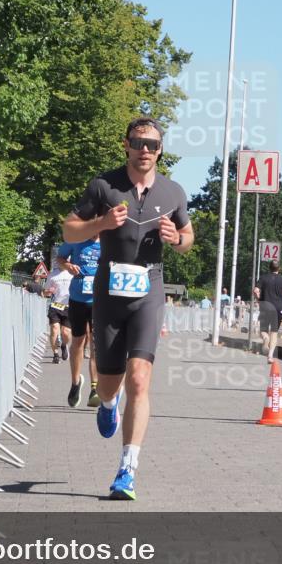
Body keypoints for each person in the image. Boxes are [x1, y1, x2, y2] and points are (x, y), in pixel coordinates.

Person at [62, 116, 194, 500]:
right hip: (108, 288)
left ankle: (127, 470)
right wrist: (100, 223)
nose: (145, 150)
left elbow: (188, 236)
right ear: (126, 144)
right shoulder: (104, 185)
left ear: (160, 150)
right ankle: (107, 402)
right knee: (109, 381)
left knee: (140, 378)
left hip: (149, 288)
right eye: (138, 142)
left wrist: (177, 239)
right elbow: (69, 229)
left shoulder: (173, 192)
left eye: (152, 144)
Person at [56, 235, 102, 408]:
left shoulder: (109, 241)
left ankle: (95, 388)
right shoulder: (75, 239)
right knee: (78, 342)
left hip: (99, 300)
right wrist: (67, 266)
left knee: (96, 344)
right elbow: (59, 258)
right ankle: (75, 383)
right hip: (78, 299)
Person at [255, 259, 282, 361]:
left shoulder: (263, 278)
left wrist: (259, 300)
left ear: (269, 268)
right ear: (279, 268)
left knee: (263, 330)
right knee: (274, 332)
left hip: (265, 306)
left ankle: (266, 339)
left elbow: (256, 290)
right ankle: (270, 356)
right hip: (278, 308)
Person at [43, 263, 73, 364]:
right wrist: (49, 291)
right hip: (55, 306)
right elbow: (45, 292)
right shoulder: (52, 275)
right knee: (54, 330)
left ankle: (64, 345)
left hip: (69, 307)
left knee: (66, 333)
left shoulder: (72, 273)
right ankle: (55, 354)